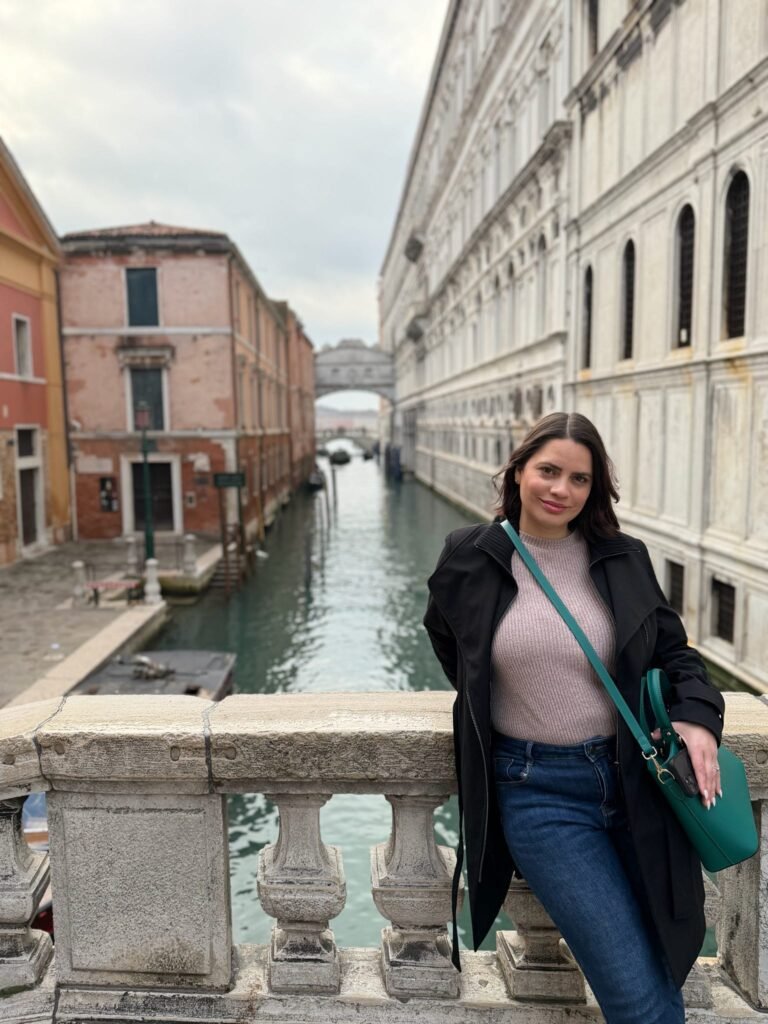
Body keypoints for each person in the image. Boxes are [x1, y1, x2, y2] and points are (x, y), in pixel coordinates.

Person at [424, 411, 724, 1024]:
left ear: (595, 490)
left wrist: (696, 720)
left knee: (665, 967)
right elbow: (452, 644)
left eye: (579, 479)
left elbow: (674, 654)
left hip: (637, 784)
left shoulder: (623, 558)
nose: (561, 490)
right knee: (635, 994)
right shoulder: (471, 556)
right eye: (549, 471)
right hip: (540, 795)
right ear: (519, 472)